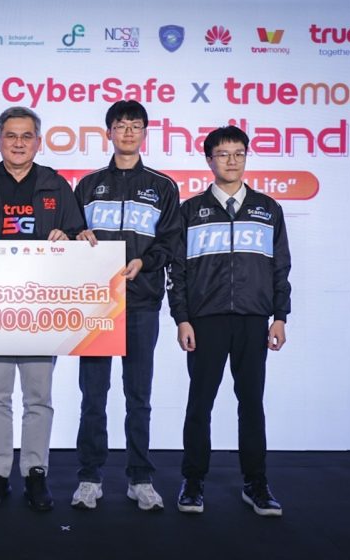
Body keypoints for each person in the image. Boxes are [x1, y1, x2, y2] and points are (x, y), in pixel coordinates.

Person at [0, 106, 85, 512]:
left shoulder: (56, 186)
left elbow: (79, 239)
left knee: (38, 397)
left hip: (40, 310)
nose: (18, 143)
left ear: (38, 141)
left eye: (26, 136)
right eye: (10, 135)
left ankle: (35, 473)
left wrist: (69, 239)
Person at [167, 125, 292, 517]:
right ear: (209, 160)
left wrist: (280, 316)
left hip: (254, 320)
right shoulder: (190, 211)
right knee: (199, 404)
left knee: (251, 403)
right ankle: (193, 482)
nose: (232, 160)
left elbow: (281, 267)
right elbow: (177, 271)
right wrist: (182, 319)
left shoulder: (267, 209)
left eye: (239, 153)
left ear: (246, 157)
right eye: (223, 154)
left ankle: (256, 484)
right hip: (205, 321)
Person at [71, 100, 180, 511]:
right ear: (109, 133)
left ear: (145, 133)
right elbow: (71, 233)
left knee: (139, 396)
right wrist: (77, 236)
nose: (128, 132)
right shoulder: (87, 185)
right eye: (121, 125)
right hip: (95, 305)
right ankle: (89, 477)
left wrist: (145, 263)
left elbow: (169, 242)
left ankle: (140, 478)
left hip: (142, 303)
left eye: (136, 125)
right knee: (93, 397)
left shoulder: (162, 186)